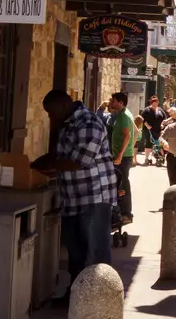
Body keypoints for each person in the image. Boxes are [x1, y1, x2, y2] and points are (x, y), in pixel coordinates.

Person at [31, 90, 116, 307]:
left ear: (63, 106)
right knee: (76, 252)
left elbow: (81, 160)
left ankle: (99, 301)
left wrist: (53, 165)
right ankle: (77, 297)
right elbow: (64, 154)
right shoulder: (68, 124)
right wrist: (46, 160)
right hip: (72, 197)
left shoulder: (89, 123)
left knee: (94, 252)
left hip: (94, 196)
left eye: (51, 113)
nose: (50, 118)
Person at [106, 92, 136, 225]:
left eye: (113, 101)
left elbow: (127, 136)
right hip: (123, 156)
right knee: (121, 183)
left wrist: (119, 155)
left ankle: (125, 213)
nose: (111, 102)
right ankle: (122, 212)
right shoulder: (122, 114)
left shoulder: (124, 116)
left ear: (121, 102)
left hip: (122, 157)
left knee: (122, 184)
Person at [141, 97, 166, 166]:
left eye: (156, 103)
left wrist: (162, 124)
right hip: (149, 130)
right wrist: (147, 125)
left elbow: (164, 119)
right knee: (148, 144)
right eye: (153, 103)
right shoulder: (147, 110)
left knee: (158, 144)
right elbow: (142, 118)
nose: (155, 105)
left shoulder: (160, 110)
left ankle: (159, 158)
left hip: (158, 131)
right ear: (151, 103)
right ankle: (146, 158)